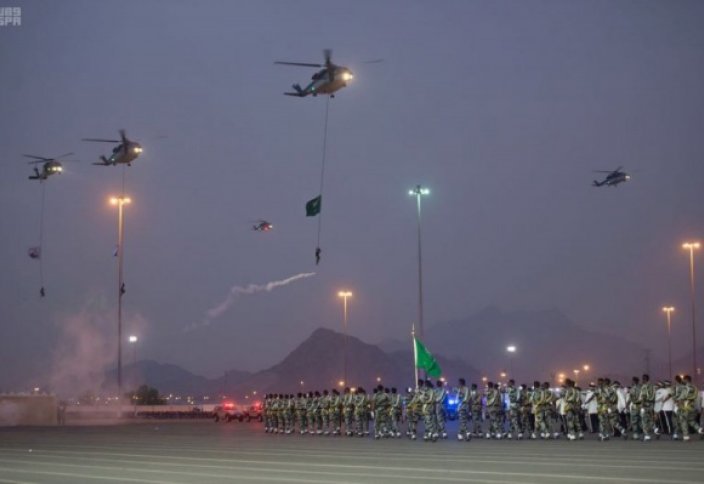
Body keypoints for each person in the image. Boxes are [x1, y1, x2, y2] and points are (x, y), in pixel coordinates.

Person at [677, 375, 704, 441]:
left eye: (683, 379)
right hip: (692, 406)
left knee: (683, 421)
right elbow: (698, 398)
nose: (682, 381)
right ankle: (700, 430)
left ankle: (686, 436)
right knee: (691, 420)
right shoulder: (695, 388)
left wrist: (680, 406)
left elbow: (681, 398)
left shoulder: (685, 388)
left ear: (686, 380)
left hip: (685, 406)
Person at [639, 374, 656, 441]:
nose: (642, 380)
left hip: (645, 405)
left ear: (644, 379)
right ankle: (655, 428)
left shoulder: (644, 386)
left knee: (644, 421)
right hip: (651, 404)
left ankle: (647, 435)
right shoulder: (652, 386)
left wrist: (642, 405)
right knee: (649, 419)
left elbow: (643, 396)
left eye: (643, 379)